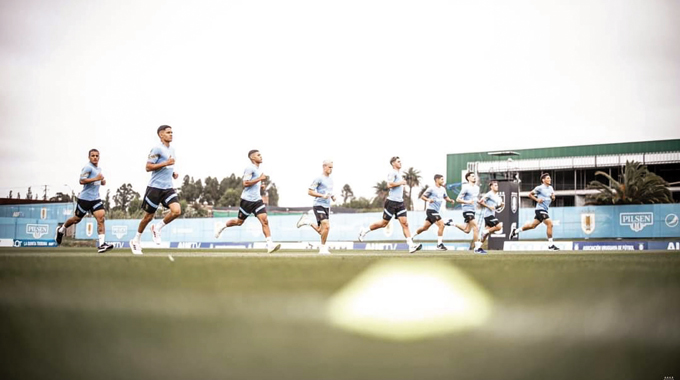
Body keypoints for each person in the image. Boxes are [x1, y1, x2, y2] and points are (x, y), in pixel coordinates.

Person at [215, 150, 281, 253]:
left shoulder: (258, 169)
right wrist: (259, 179)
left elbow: (253, 183)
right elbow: (245, 183)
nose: (261, 156)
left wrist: (260, 186)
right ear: (253, 158)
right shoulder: (249, 168)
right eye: (258, 155)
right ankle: (222, 226)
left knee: (265, 220)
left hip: (257, 200)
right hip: (247, 200)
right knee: (239, 222)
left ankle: (270, 245)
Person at [129, 125, 182, 255]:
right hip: (155, 188)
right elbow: (148, 167)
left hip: (168, 188)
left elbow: (168, 166)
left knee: (176, 211)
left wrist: (173, 173)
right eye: (168, 132)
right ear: (161, 135)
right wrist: (165, 164)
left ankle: (157, 228)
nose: (171, 134)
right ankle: (136, 240)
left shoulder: (173, 150)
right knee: (148, 217)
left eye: (172, 132)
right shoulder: (157, 149)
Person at [358, 156, 422, 253]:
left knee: (405, 224)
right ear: (393, 163)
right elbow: (389, 185)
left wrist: (401, 182)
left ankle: (411, 246)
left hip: (400, 202)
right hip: (391, 202)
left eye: (400, 161)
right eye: (398, 161)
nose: (400, 163)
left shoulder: (399, 174)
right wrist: (400, 182)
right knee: (384, 224)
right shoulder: (392, 173)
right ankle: (364, 231)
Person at [55, 149, 113, 253]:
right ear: (89, 157)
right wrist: (96, 179)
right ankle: (61, 229)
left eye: (96, 156)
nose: (95, 157)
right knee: (76, 219)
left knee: (101, 218)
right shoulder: (88, 167)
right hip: (85, 199)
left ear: (99, 157)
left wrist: (101, 181)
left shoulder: (98, 168)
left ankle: (102, 245)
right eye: (92, 156)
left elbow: (96, 181)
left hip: (95, 199)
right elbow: (81, 180)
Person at [510, 173, 559, 250]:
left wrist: (553, 197)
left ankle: (515, 231)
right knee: (550, 224)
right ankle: (551, 245)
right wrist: (537, 200)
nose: (550, 179)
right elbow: (529, 194)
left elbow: (553, 198)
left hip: (545, 210)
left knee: (532, 226)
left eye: (550, 178)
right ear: (543, 180)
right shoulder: (539, 188)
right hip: (540, 210)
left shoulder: (551, 188)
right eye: (548, 178)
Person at [297, 160, 335, 255]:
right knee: (327, 226)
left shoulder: (331, 180)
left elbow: (328, 192)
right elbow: (310, 191)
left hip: (327, 206)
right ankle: (323, 249)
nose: (331, 169)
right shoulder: (319, 178)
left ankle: (307, 221)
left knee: (321, 230)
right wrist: (322, 196)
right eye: (329, 167)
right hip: (318, 205)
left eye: (332, 167)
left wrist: (333, 196)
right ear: (324, 167)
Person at [413, 174, 456, 250]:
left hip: (436, 211)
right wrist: (428, 200)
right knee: (441, 225)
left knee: (424, 228)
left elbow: (445, 197)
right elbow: (422, 197)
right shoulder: (431, 188)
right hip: (430, 210)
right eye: (442, 179)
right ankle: (439, 245)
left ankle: (411, 236)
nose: (443, 181)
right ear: (437, 180)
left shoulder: (443, 189)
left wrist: (450, 200)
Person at [447, 171, 482, 252]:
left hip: (473, 210)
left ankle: (452, 223)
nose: (474, 177)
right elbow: (458, 199)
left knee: (467, 230)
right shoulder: (466, 187)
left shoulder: (477, 188)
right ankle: (477, 248)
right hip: (467, 210)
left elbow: (475, 198)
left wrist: (480, 201)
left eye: (474, 176)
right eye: (472, 176)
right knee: (476, 227)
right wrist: (468, 202)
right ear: (468, 178)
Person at [477, 180, 505, 253]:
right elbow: (480, 201)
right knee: (499, 226)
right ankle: (485, 231)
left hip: (491, 215)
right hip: (488, 215)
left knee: (485, 234)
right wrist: (489, 206)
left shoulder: (497, 196)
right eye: (495, 185)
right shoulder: (489, 194)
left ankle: (477, 248)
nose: (497, 187)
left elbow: (496, 208)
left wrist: (500, 205)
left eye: (497, 185)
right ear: (491, 187)